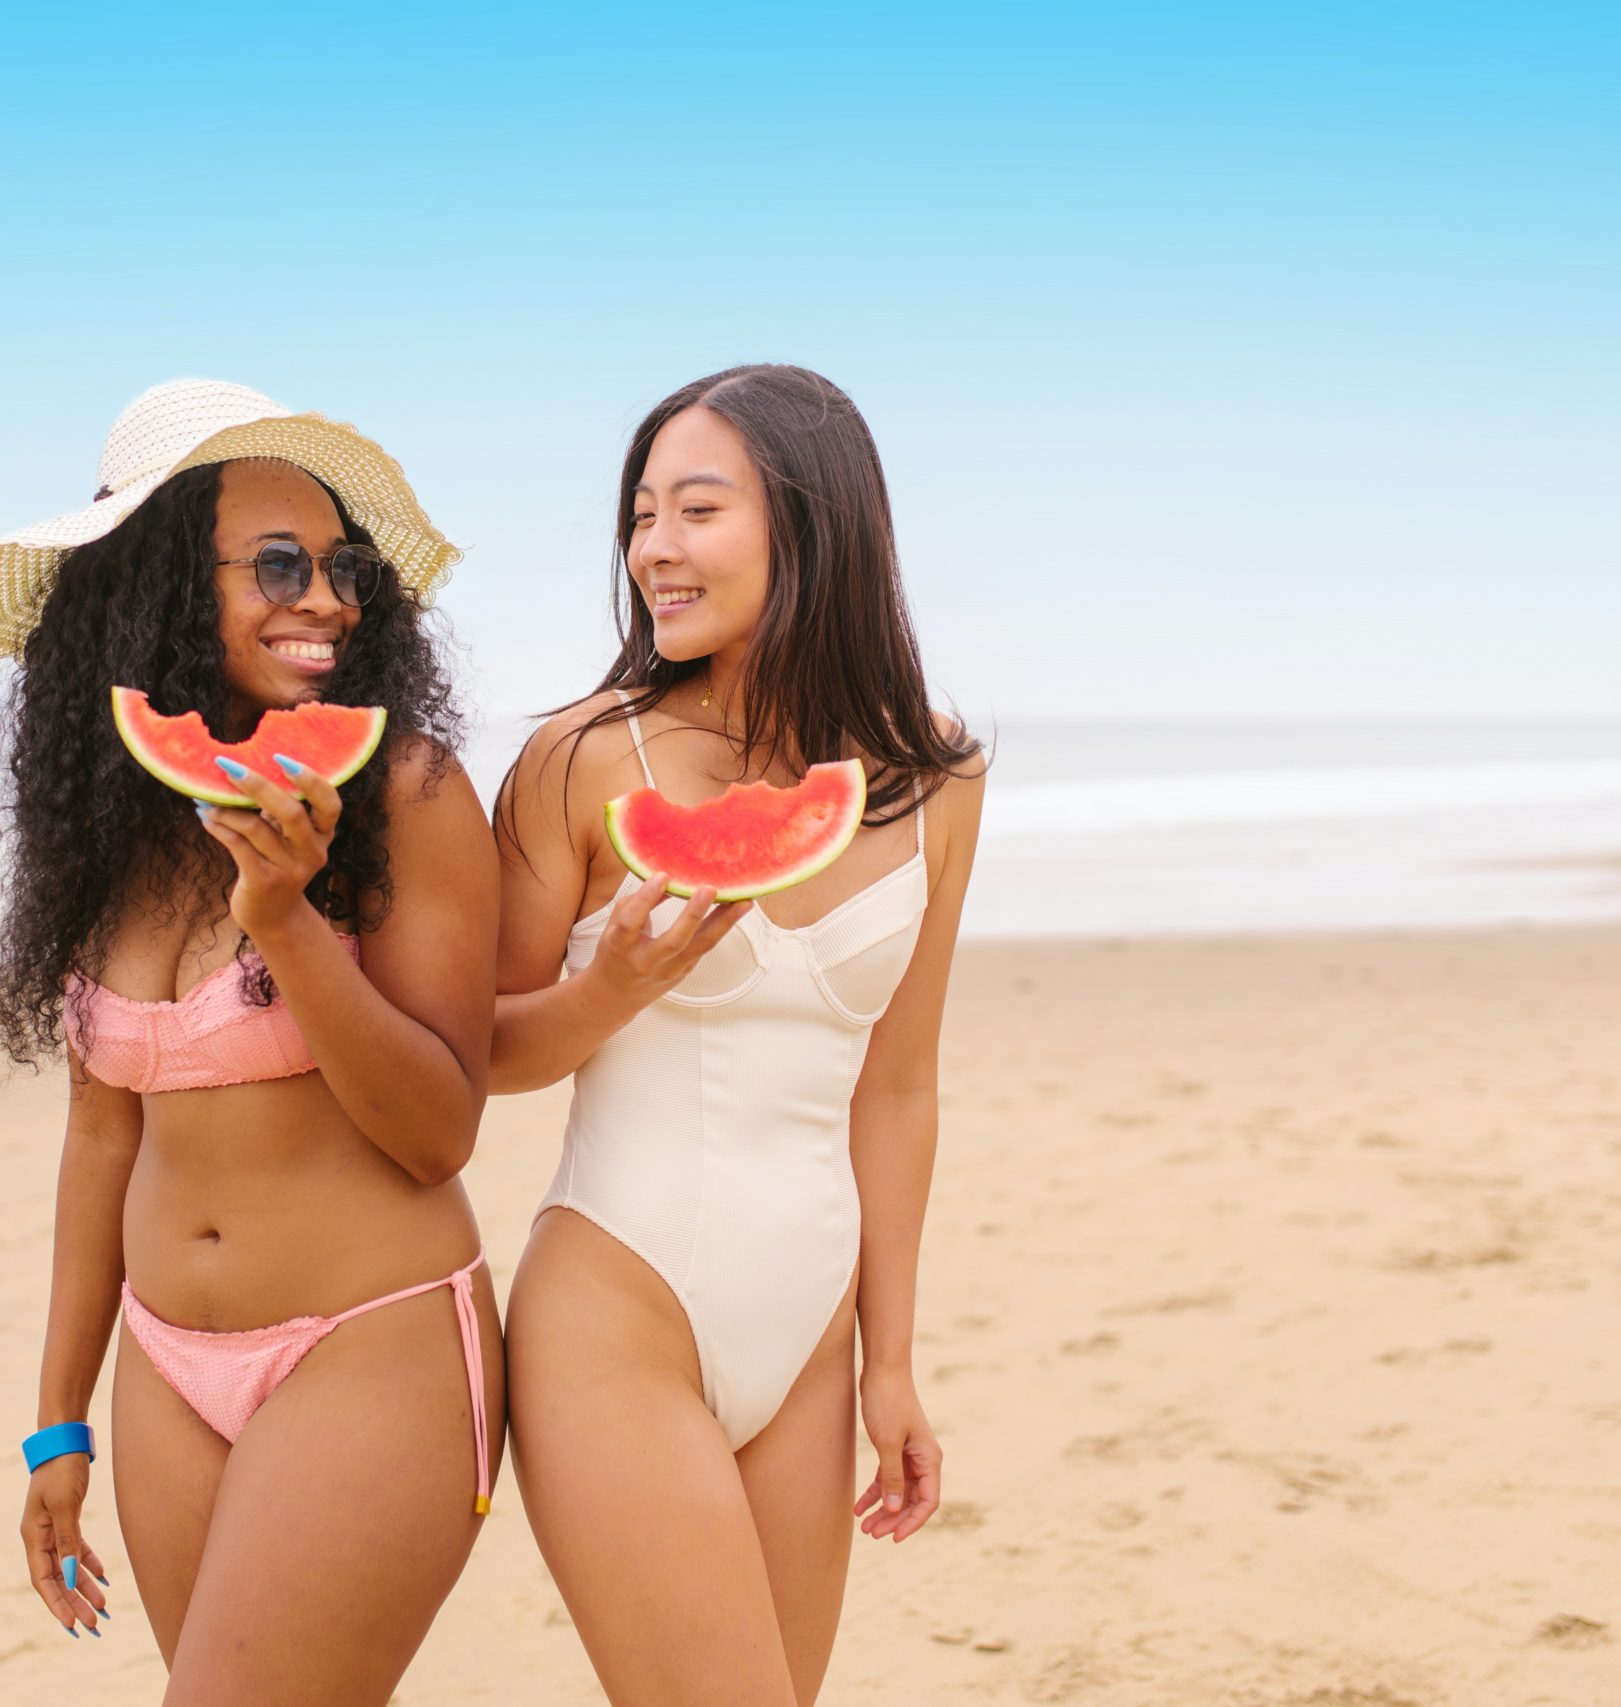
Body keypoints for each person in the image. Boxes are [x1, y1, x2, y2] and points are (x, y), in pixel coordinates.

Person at [0, 380, 501, 1701]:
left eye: (339, 568)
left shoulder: (410, 792)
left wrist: (287, 919)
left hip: (370, 1343)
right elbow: (100, 1139)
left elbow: (438, 1133)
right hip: (163, 1369)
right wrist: (53, 1425)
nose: (324, 599)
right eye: (276, 565)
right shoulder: (113, 830)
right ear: (152, 588)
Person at [492, 364, 986, 1704]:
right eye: (642, 512)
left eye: (696, 509)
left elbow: (897, 1087)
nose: (653, 545)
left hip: (814, 1330)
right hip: (616, 1307)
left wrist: (891, 1359)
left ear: (811, 526)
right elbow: (475, 1052)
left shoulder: (940, 776)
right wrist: (610, 993)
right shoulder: (583, 758)